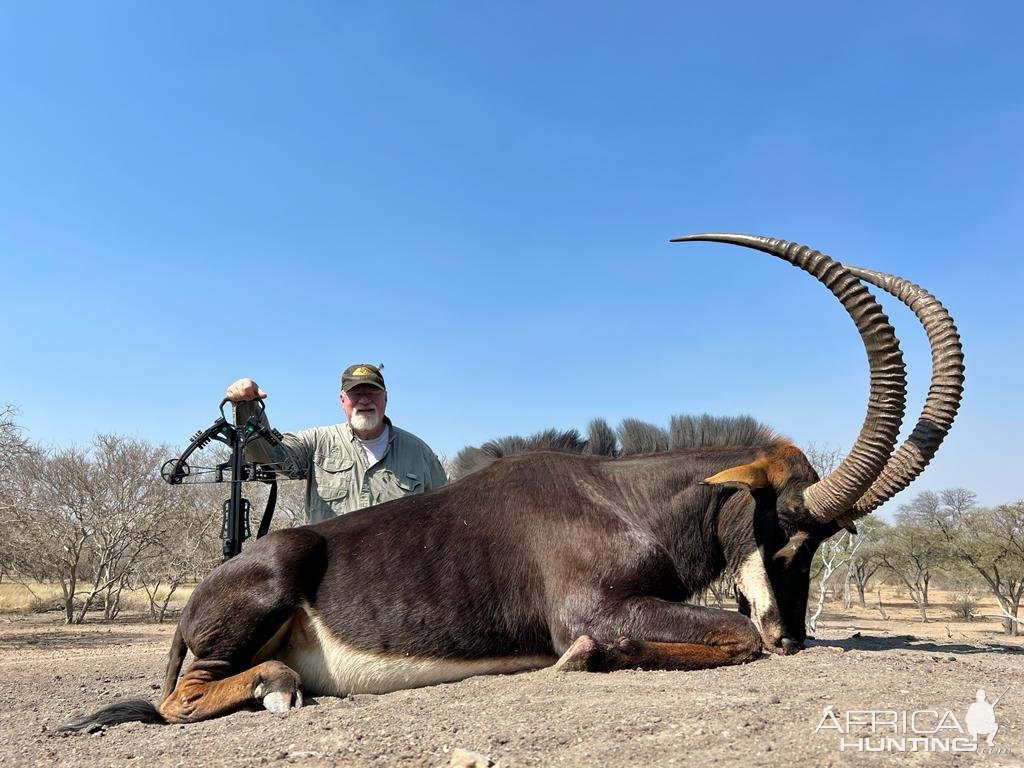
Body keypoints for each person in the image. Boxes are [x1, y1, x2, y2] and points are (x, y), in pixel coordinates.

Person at [227, 364, 447, 523]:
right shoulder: (316, 442)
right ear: (343, 400)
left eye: (372, 392)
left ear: (386, 398)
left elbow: (446, 514)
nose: (364, 399)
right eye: (356, 393)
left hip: (396, 581)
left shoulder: (420, 453)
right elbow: (271, 456)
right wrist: (247, 407)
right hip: (332, 581)